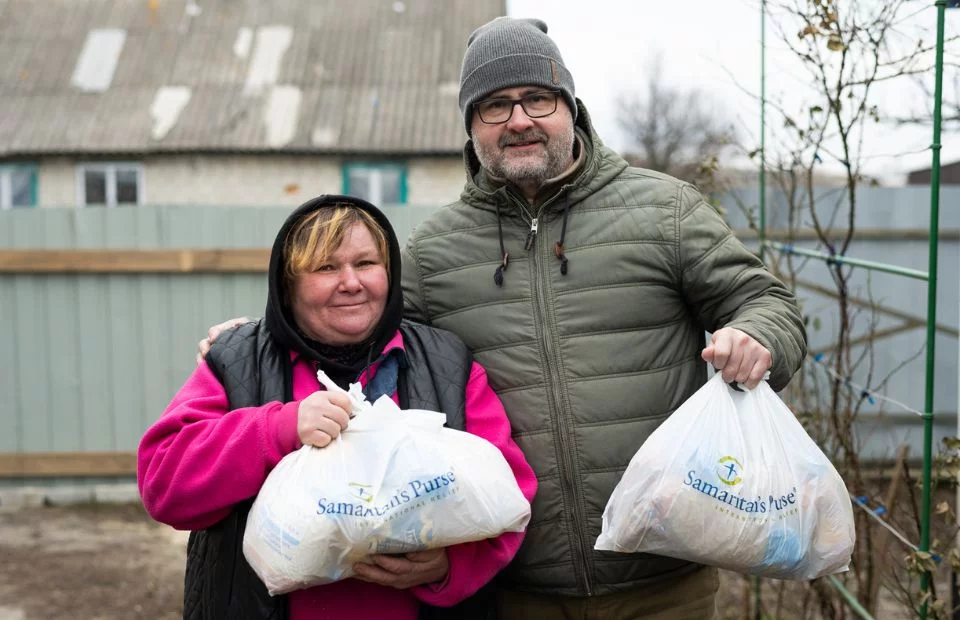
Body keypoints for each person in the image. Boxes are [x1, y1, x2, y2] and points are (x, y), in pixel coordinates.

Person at [200, 17, 807, 620]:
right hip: (514, 589)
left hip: (662, 578)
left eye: (538, 98)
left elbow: (767, 302)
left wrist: (757, 337)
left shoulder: (664, 211)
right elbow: (355, 329)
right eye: (494, 105)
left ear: (571, 107)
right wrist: (259, 340)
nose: (519, 120)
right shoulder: (436, 250)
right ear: (471, 126)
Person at [140, 195, 537, 620]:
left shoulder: (444, 363)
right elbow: (165, 485)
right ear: (288, 285)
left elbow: (509, 494)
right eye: (326, 268)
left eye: (366, 263)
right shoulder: (239, 361)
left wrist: (449, 567)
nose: (351, 282)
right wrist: (279, 429)